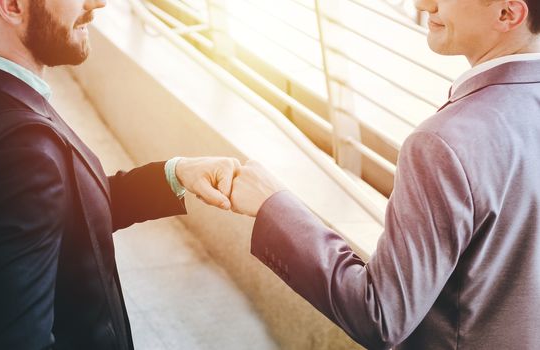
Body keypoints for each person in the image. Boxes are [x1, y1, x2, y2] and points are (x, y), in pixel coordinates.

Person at [230, 0, 540, 349]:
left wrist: (272, 204)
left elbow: (379, 316)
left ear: (507, 13)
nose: (424, 4)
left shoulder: (443, 143)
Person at [0, 0, 240, 349]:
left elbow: (62, 214)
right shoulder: (20, 151)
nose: (97, 3)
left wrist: (173, 175)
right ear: (11, 5)